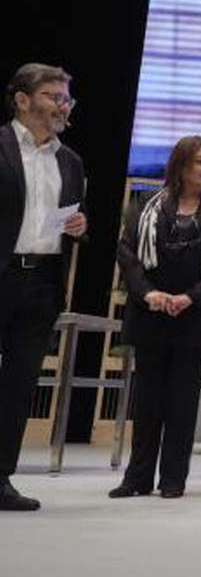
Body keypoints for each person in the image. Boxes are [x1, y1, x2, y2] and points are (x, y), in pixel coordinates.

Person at [111, 136, 201, 499]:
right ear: (181, 165)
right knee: (148, 399)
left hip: (196, 316)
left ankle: (173, 479)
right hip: (151, 312)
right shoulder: (147, 204)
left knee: (182, 401)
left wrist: (190, 297)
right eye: (200, 161)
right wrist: (148, 293)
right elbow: (127, 253)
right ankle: (137, 477)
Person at [0, 64, 87, 511]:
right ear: (22, 100)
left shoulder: (69, 160)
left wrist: (78, 225)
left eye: (66, 97)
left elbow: (67, 218)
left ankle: (1, 480)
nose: (63, 104)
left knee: (18, 384)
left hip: (41, 281)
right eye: (53, 96)